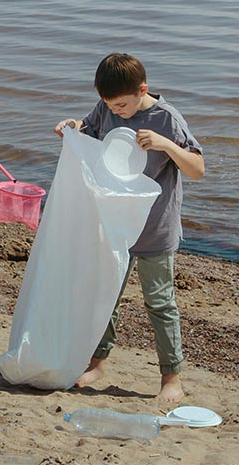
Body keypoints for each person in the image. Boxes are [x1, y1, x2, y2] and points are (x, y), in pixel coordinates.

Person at [54, 52, 205, 403]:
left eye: (122, 104)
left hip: (155, 228)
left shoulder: (166, 118)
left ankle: (171, 377)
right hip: (114, 224)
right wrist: (73, 127)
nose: (116, 111)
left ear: (143, 90)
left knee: (159, 302)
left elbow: (198, 169)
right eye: (110, 105)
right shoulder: (106, 108)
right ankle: (97, 362)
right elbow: (89, 134)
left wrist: (166, 144)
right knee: (106, 296)